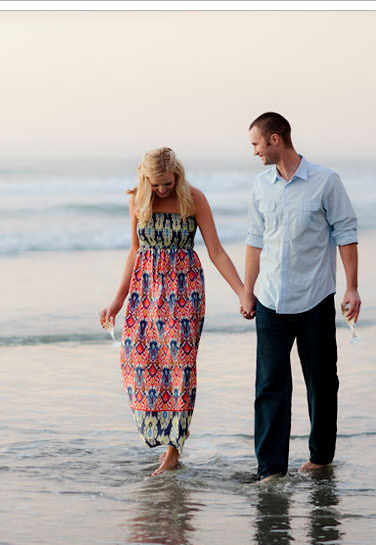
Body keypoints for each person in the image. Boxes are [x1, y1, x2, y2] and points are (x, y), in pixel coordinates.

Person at [101, 147, 253, 476]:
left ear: (177, 176)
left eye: (167, 183)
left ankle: (173, 449)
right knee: (137, 362)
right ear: (145, 179)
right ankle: (161, 435)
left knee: (179, 368)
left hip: (183, 293)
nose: (161, 190)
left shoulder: (194, 199)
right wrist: (118, 300)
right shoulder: (138, 201)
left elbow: (216, 251)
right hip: (144, 292)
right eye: (155, 184)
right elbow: (133, 252)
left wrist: (242, 292)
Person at [238, 113, 360, 483]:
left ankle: (321, 458)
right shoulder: (260, 186)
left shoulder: (326, 182)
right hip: (271, 302)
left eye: (257, 144)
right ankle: (270, 469)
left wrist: (352, 287)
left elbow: (346, 232)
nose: (254, 152)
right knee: (270, 388)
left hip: (315, 300)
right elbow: (255, 241)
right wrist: (247, 291)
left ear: (276, 140)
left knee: (322, 384)